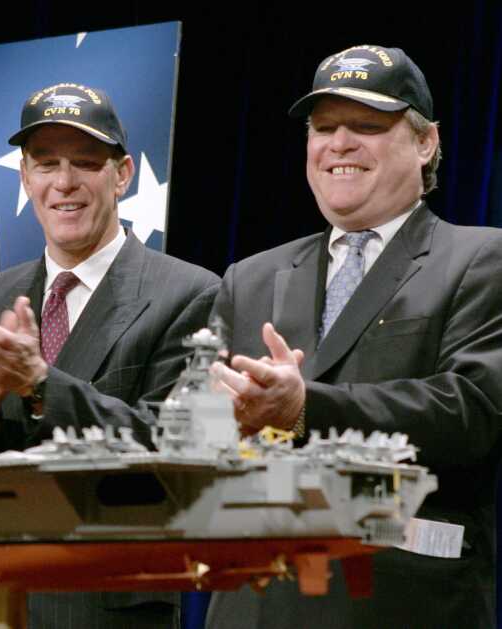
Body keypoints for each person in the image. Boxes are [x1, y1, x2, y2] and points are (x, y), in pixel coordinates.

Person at [204, 45, 502, 628]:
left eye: (367, 125)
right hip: (253, 602)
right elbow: (200, 432)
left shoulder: (482, 259)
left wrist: (303, 406)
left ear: (425, 143)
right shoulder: (251, 277)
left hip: (400, 599)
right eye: (323, 127)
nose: (339, 143)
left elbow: (473, 411)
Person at [0, 83, 219, 628]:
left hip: (102, 605)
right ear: (25, 178)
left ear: (121, 175)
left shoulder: (190, 294)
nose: (64, 183)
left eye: (85, 162)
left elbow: (176, 452)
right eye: (45, 164)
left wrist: (40, 385)